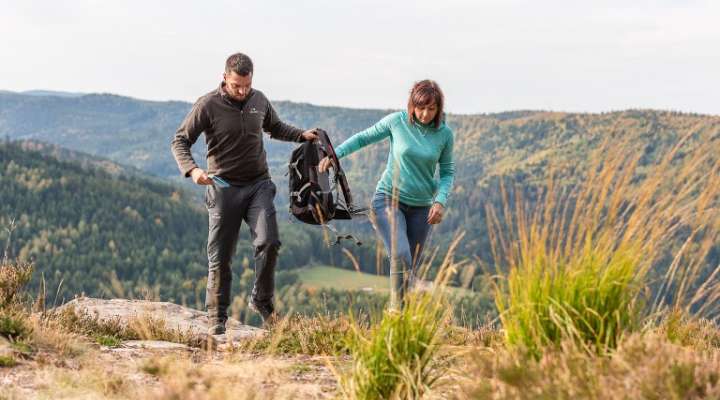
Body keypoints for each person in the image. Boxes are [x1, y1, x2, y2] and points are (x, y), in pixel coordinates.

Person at [171, 52, 318, 334]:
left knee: (269, 241)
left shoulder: (258, 100)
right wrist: (193, 171)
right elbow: (180, 141)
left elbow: (274, 127)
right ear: (225, 78)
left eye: (247, 86)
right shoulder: (207, 105)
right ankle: (217, 316)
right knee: (221, 254)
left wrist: (302, 135)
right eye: (237, 86)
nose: (242, 91)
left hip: (257, 185)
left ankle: (261, 300)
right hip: (223, 187)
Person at [319, 80, 455, 310]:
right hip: (388, 200)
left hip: (422, 208)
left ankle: (402, 326)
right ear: (412, 104)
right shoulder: (397, 122)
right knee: (401, 255)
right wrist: (335, 155)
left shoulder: (444, 134)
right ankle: (395, 314)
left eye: (431, 109)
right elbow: (363, 138)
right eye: (421, 108)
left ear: (439, 109)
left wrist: (440, 201)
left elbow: (447, 172)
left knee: (409, 269)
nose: (425, 114)